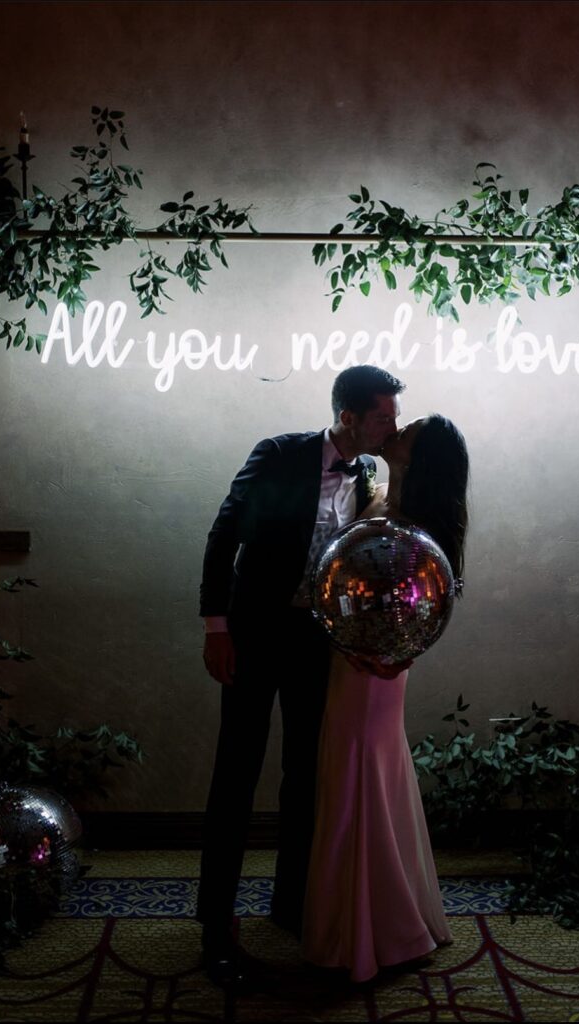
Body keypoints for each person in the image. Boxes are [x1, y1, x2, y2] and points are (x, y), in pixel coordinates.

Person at [197, 365, 406, 986]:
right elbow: (222, 535)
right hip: (254, 634)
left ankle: (290, 905)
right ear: (347, 416)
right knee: (236, 772)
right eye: (381, 416)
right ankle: (215, 924)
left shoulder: (369, 473)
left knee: (305, 776)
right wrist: (216, 628)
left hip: (317, 642)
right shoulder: (279, 453)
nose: (390, 426)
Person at [301, 414, 469, 983]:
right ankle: (384, 919)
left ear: (419, 458)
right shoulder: (376, 495)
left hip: (377, 666)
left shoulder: (417, 523)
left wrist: (391, 652)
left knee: (358, 777)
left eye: (410, 430)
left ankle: (372, 931)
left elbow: (426, 603)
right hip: (352, 658)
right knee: (361, 774)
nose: (398, 429)